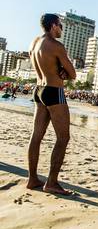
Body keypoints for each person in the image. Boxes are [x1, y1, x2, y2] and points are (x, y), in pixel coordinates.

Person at [27, 13, 76, 195]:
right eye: (60, 25)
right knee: (63, 138)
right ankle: (52, 183)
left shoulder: (34, 43)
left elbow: (49, 67)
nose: (62, 29)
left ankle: (32, 179)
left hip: (39, 90)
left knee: (36, 136)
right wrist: (65, 70)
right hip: (54, 91)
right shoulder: (56, 46)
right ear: (53, 25)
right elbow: (72, 73)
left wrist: (60, 70)